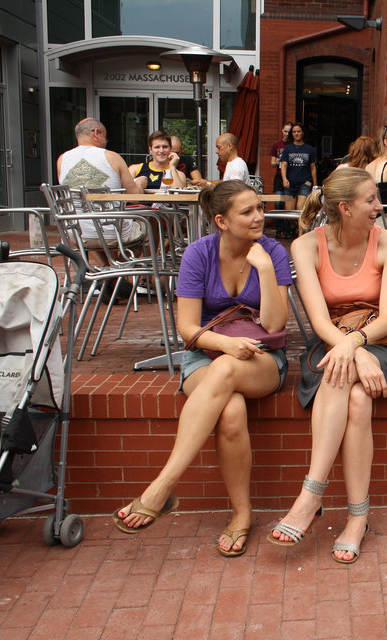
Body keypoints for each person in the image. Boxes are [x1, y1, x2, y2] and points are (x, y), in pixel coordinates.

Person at [111, 180, 292, 556]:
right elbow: (187, 328)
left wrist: (267, 271)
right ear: (222, 221)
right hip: (206, 352)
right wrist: (225, 345)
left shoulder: (272, 252)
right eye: (247, 211)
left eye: (259, 207)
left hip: (261, 358)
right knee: (231, 410)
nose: (259, 216)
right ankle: (242, 515)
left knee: (226, 371)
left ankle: (161, 487)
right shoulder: (199, 254)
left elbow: (275, 326)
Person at [269, 168, 387, 564]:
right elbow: (319, 322)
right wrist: (350, 350)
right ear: (345, 209)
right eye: (371, 201)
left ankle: (310, 496)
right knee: (358, 398)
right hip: (331, 339)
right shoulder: (305, 246)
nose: (379, 208)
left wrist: (359, 346)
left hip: (380, 340)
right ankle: (356, 518)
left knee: (342, 369)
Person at [57, 117, 145, 271]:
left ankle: (106, 271)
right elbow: (135, 196)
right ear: (96, 133)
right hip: (113, 233)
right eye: (105, 137)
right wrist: (141, 182)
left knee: (90, 222)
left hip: (76, 234)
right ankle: (118, 271)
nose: (105, 142)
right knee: (150, 224)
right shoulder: (111, 157)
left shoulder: (62, 159)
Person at [280, 122, 318, 210]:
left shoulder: (310, 149)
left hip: (305, 182)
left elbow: (313, 168)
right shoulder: (287, 149)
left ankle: (301, 224)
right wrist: (284, 179)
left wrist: (315, 186)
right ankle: (294, 224)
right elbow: (284, 165)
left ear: (303, 133)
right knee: (289, 212)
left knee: (300, 209)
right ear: (292, 134)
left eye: (298, 131)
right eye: (294, 132)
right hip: (290, 183)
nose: (296, 134)